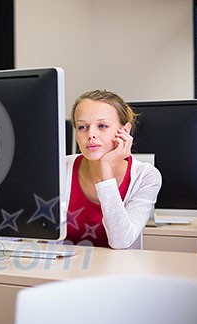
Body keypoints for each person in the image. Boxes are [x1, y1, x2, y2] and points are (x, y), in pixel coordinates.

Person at [65, 90, 162, 249]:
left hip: (118, 271)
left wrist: (106, 169)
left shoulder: (146, 177)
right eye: (82, 127)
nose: (91, 135)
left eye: (102, 126)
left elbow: (121, 241)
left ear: (125, 130)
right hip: (63, 270)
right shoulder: (61, 168)